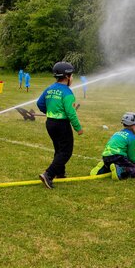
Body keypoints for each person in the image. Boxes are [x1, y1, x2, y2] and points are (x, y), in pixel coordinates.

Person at [37, 61, 83, 189]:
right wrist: (78, 128)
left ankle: (60, 173)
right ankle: (48, 174)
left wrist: (49, 111)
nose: (72, 78)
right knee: (66, 151)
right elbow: (71, 112)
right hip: (62, 124)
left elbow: (40, 103)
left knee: (59, 149)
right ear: (67, 76)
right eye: (72, 76)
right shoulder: (67, 92)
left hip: (50, 123)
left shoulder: (49, 88)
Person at [90, 112, 135, 180]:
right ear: (134, 126)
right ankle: (119, 171)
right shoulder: (132, 137)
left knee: (112, 167)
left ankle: (101, 169)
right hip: (117, 157)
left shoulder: (117, 133)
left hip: (106, 157)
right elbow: (132, 158)